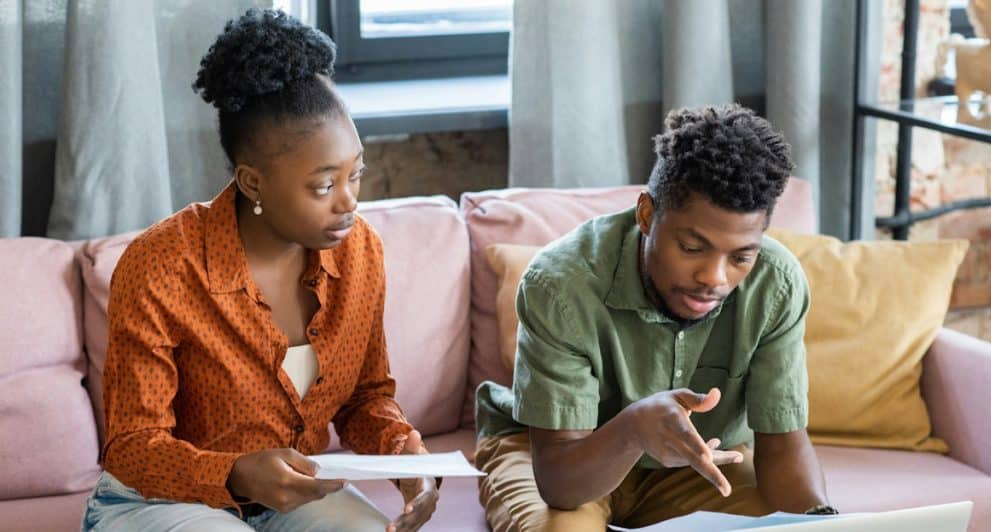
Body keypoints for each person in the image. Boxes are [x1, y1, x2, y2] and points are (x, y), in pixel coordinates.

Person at [81, 9, 437, 532]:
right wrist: (238, 474)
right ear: (253, 183)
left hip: (293, 497)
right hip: (157, 501)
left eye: (355, 174)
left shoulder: (360, 252)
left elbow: (365, 397)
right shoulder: (162, 266)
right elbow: (134, 449)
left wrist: (406, 457)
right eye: (322, 185)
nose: (349, 202)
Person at [475, 104, 837, 531]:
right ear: (646, 214)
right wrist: (632, 430)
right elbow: (560, 483)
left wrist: (827, 525)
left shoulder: (776, 284)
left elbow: (783, 447)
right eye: (692, 248)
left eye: (740, 256)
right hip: (556, 456)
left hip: (695, 463)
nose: (713, 278)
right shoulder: (560, 285)